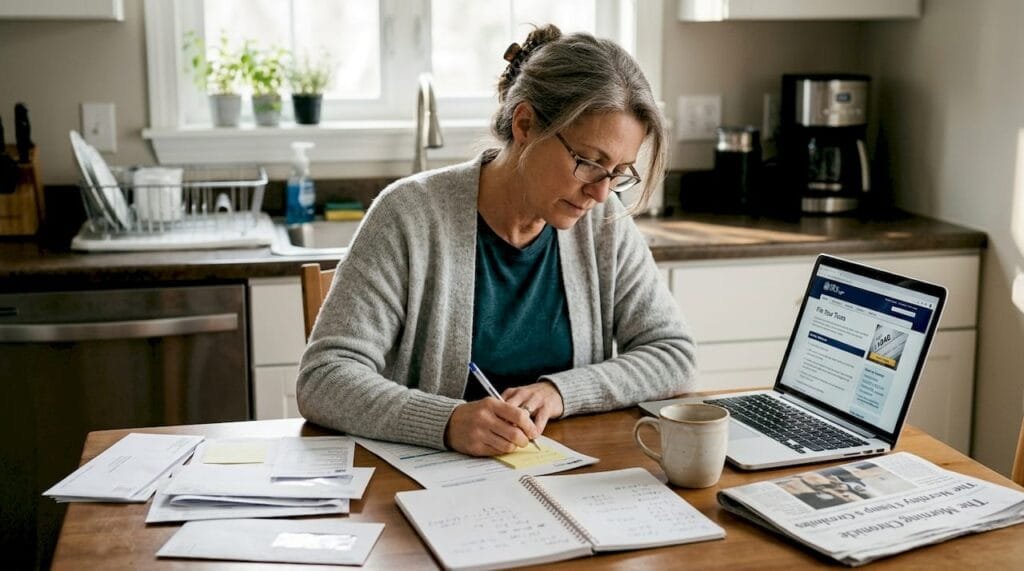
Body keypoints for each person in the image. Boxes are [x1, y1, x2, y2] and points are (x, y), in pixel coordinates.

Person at [297, 24, 696, 457]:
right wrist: (446, 421)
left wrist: (560, 392)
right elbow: (325, 377)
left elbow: (673, 355)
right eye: (588, 162)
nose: (601, 192)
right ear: (525, 124)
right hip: (428, 488)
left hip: (563, 480)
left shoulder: (603, 225)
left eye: (619, 172)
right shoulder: (409, 215)